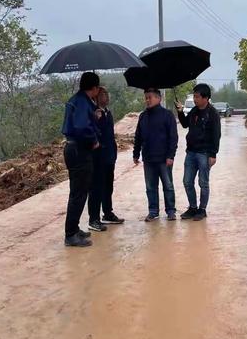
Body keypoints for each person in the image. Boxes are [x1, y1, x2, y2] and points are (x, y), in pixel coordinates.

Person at [61, 72, 101, 247]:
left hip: (73, 148)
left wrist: (94, 115)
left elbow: (81, 122)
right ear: (95, 88)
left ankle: (74, 228)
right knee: (78, 193)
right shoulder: (83, 103)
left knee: (78, 191)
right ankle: (70, 234)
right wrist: (93, 140)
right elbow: (81, 126)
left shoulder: (77, 100)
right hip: (79, 150)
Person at [176, 84, 221, 221]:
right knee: (187, 181)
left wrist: (213, 155)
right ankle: (192, 208)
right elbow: (185, 124)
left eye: (197, 96)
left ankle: (202, 210)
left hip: (204, 153)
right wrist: (180, 111)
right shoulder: (194, 110)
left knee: (203, 183)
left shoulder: (213, 114)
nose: (194, 99)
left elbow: (216, 135)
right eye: (194, 96)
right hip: (191, 152)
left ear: (205, 98)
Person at [133, 88, 178, 222]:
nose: (147, 100)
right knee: (150, 187)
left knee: (168, 186)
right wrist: (135, 154)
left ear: (159, 98)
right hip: (148, 158)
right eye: (146, 97)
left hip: (164, 159)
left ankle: (170, 211)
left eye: (150, 97)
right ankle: (153, 211)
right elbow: (138, 137)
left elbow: (173, 137)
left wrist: (171, 156)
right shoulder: (143, 116)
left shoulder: (167, 115)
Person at [87, 87, 124, 232]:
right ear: (96, 97)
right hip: (98, 156)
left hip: (109, 156)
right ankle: (93, 218)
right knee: (96, 188)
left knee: (108, 187)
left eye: (107, 94)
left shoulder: (108, 113)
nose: (106, 97)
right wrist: (96, 118)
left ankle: (107, 213)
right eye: (102, 94)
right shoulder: (94, 113)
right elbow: (92, 132)